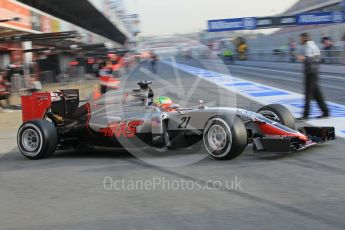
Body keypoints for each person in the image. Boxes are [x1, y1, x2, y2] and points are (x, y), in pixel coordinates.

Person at [297, 33, 329, 120]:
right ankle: (326, 112)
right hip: (315, 72)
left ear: (304, 38)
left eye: (301, 38)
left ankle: (305, 115)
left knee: (308, 94)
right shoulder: (313, 45)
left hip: (310, 73)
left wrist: (303, 58)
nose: (300, 40)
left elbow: (311, 59)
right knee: (317, 94)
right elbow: (317, 58)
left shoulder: (308, 46)